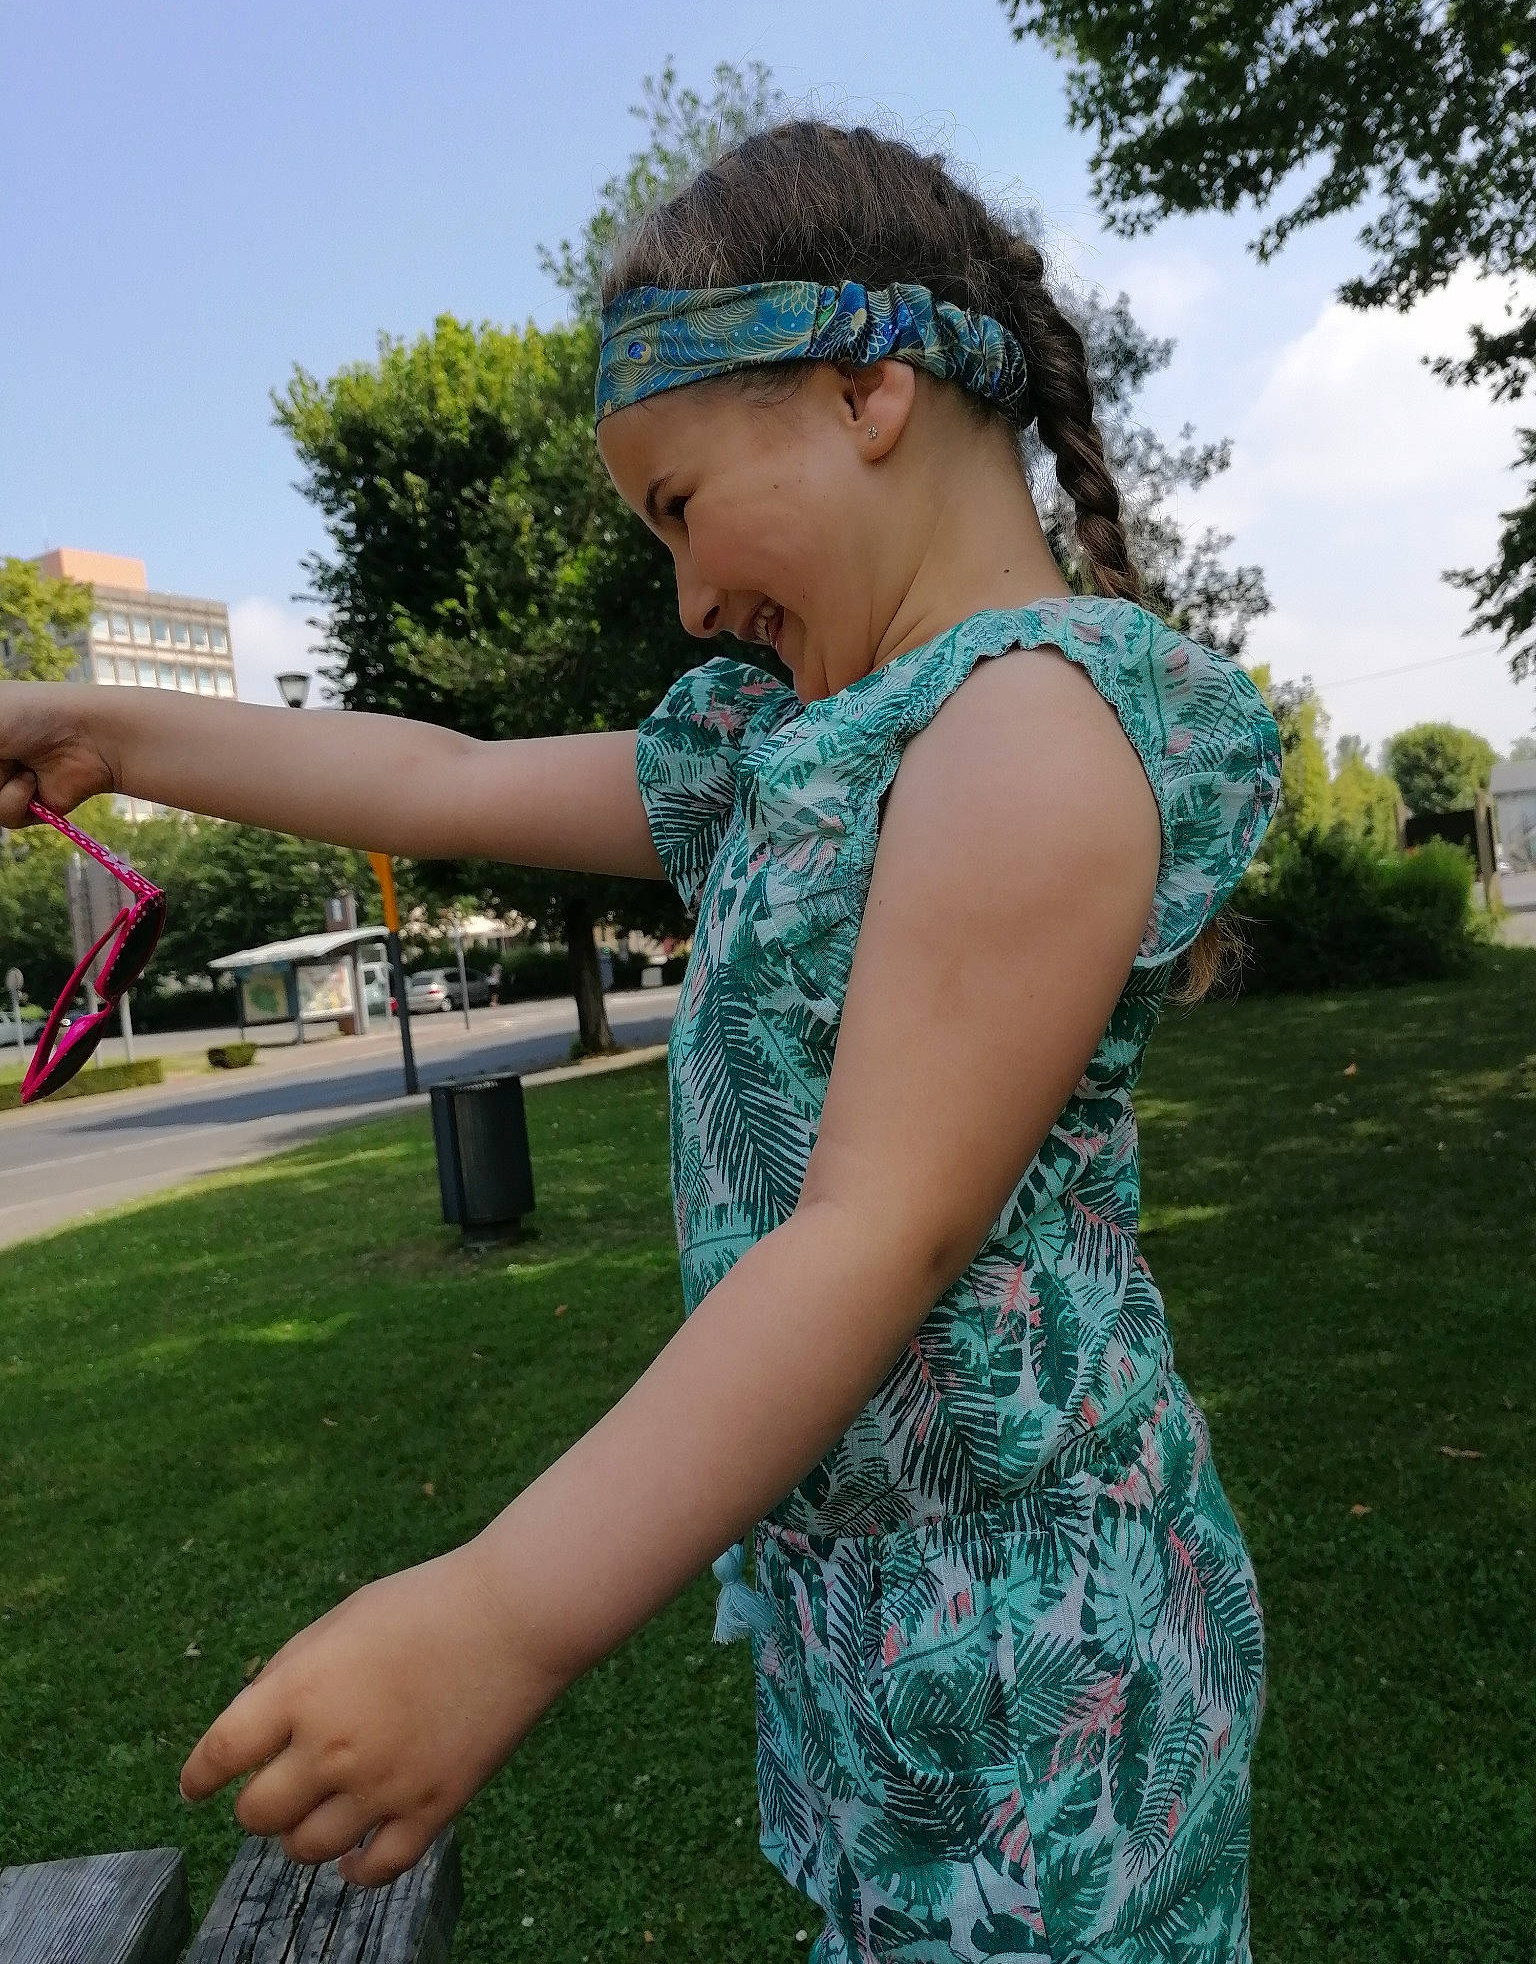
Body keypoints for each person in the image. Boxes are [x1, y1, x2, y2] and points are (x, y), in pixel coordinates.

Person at [0, 119, 1281, 1961]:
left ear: (864, 386)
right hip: (883, 1623)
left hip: (1041, 1662)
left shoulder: (1030, 735)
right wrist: (109, 730)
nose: (687, 601)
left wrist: (502, 1612)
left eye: (679, 508)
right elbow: (431, 773)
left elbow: (872, 1235)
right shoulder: (792, 751)